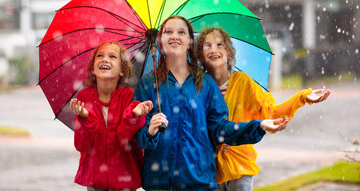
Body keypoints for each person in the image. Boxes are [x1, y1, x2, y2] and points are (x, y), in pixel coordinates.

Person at [133, 16, 289, 191]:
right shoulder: (147, 84)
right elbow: (136, 134)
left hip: (199, 182)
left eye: (181, 32)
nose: (174, 36)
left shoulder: (205, 84)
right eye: (168, 32)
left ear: (190, 42)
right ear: (160, 41)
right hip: (159, 183)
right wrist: (150, 131)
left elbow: (221, 129)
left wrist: (258, 126)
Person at [194, 27, 331, 191]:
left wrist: (301, 98)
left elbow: (271, 113)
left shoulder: (243, 83)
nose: (213, 49)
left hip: (240, 168)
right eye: (207, 45)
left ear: (229, 52)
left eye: (219, 44)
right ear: (200, 55)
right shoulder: (196, 86)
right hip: (207, 170)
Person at [70, 41, 153, 191]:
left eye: (112, 56)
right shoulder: (84, 97)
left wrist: (134, 115)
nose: (105, 59)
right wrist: (85, 117)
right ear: (93, 69)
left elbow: (123, 138)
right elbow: (81, 145)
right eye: (100, 56)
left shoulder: (129, 96)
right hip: (96, 181)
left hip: (124, 179)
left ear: (122, 70)